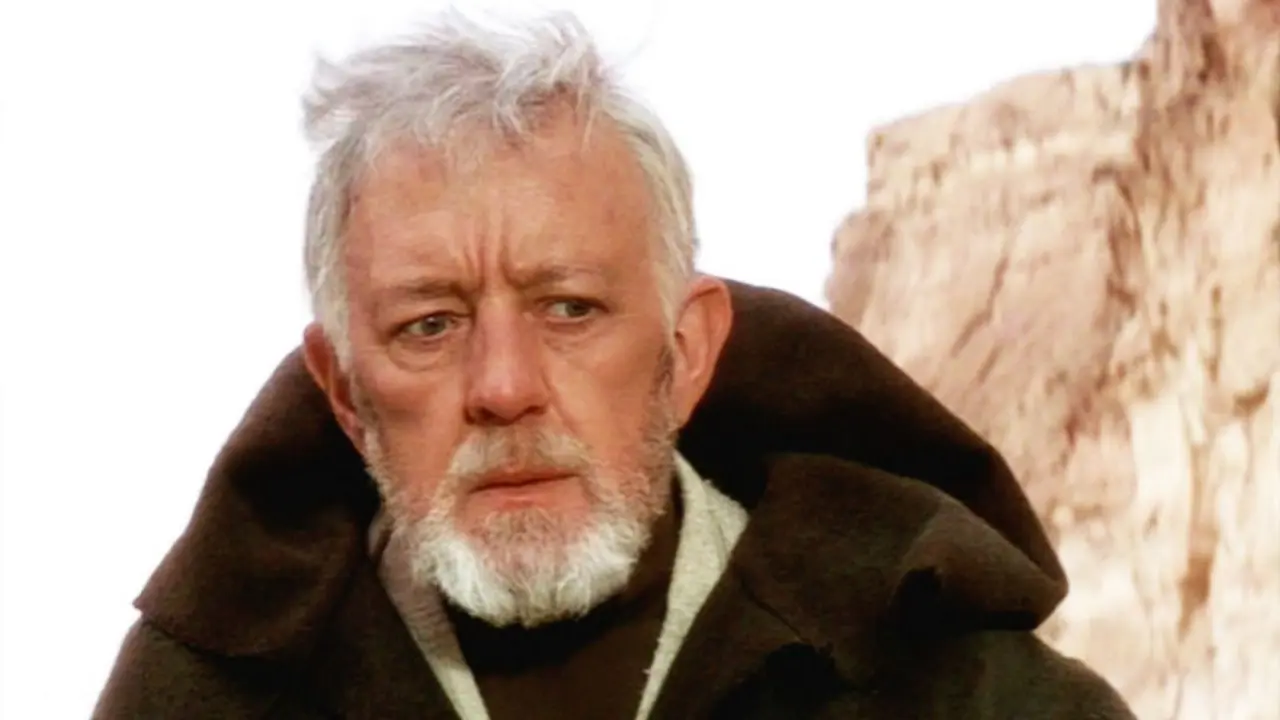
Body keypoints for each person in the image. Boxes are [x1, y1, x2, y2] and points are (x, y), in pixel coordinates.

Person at [94, 11, 1134, 719]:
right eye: (430, 325)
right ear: (344, 393)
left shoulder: (965, 696)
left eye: (569, 309)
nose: (504, 387)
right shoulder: (199, 707)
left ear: (685, 353)